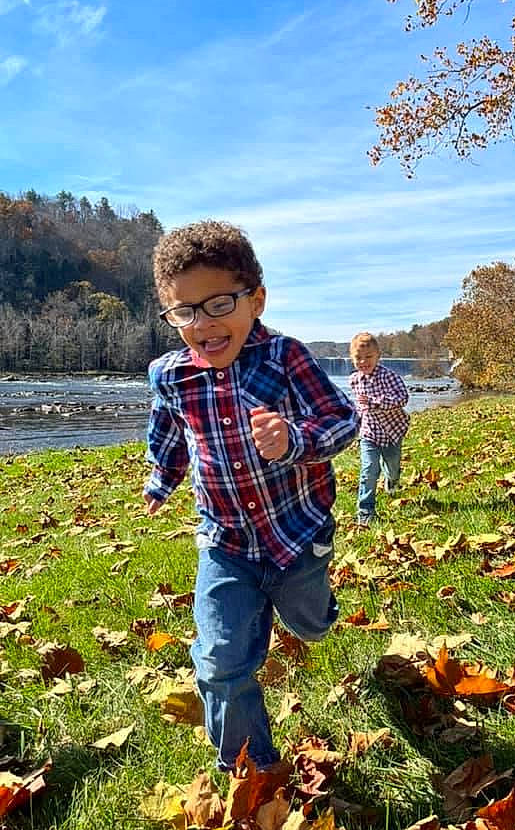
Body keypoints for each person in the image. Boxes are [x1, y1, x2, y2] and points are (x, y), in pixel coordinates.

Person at [143, 220, 359, 773]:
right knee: (218, 661)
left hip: (296, 534)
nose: (204, 325)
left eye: (219, 304)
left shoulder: (285, 358)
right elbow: (169, 434)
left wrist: (295, 439)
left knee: (310, 625)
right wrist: (160, 480)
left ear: (255, 299)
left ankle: (316, 609)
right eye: (185, 312)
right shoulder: (170, 377)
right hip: (225, 542)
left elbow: (342, 420)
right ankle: (252, 769)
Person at [349, 331, 409, 527]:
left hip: (392, 431)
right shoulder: (354, 380)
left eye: (368, 357)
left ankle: (392, 481)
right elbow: (358, 407)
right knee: (368, 470)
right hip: (369, 433)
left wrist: (376, 402)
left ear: (378, 356)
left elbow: (402, 398)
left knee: (392, 466)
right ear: (352, 358)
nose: (363, 362)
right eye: (358, 358)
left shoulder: (388, 377)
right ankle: (365, 512)